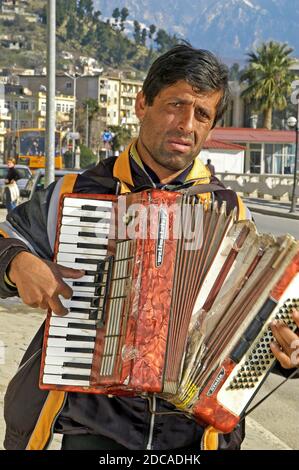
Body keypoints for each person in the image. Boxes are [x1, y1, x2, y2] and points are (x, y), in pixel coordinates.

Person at [0, 44, 298, 452]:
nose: (187, 125)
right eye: (176, 105)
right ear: (142, 104)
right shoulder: (78, 193)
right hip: (93, 428)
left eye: (202, 114)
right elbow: (7, 240)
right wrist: (17, 262)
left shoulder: (229, 211)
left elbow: (251, 331)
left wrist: (288, 350)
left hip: (191, 435)